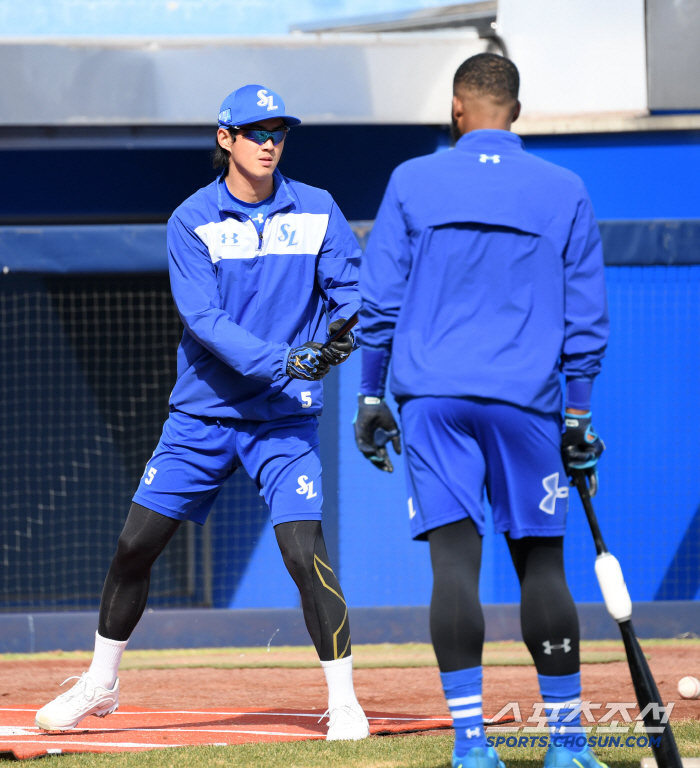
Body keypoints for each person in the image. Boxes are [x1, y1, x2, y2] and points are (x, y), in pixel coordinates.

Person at [36, 84, 369, 742]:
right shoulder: (191, 219)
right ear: (226, 140)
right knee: (135, 547)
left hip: (283, 422)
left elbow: (350, 294)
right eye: (256, 131)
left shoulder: (320, 209)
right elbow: (205, 320)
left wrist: (347, 326)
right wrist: (285, 360)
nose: (270, 142)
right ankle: (101, 683)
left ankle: (345, 702)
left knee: (307, 555)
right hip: (203, 418)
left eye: (279, 132)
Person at [354, 54, 609, 768]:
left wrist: (372, 397)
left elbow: (380, 305)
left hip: (433, 401)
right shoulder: (564, 188)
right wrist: (579, 413)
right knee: (542, 566)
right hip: (527, 403)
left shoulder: (412, 179)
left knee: (453, 569)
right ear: (515, 113)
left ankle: (472, 745)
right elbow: (586, 314)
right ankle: (566, 746)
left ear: (458, 108)